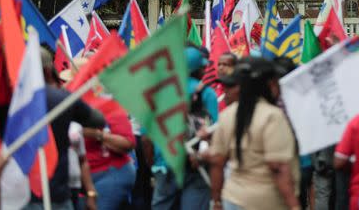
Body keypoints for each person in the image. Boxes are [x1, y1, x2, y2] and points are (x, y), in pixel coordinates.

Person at [0, 47, 107, 210]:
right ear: (47, 71)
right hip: (56, 193)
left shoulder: (11, 102)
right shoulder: (62, 99)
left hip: (20, 194)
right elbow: (98, 120)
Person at [209, 57, 301, 210]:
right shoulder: (272, 117)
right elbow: (278, 167)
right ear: (268, 84)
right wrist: (294, 206)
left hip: (232, 199)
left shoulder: (227, 115)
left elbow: (217, 162)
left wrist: (216, 201)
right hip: (266, 202)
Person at [150, 46, 219, 210]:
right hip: (196, 164)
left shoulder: (160, 94)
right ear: (198, 69)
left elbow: (147, 136)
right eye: (203, 66)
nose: (205, 70)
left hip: (165, 163)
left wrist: (154, 163)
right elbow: (214, 131)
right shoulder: (207, 93)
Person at [82, 106, 137, 210]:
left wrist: (96, 134)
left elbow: (128, 143)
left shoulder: (110, 106)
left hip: (109, 173)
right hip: (77, 179)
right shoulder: (64, 103)